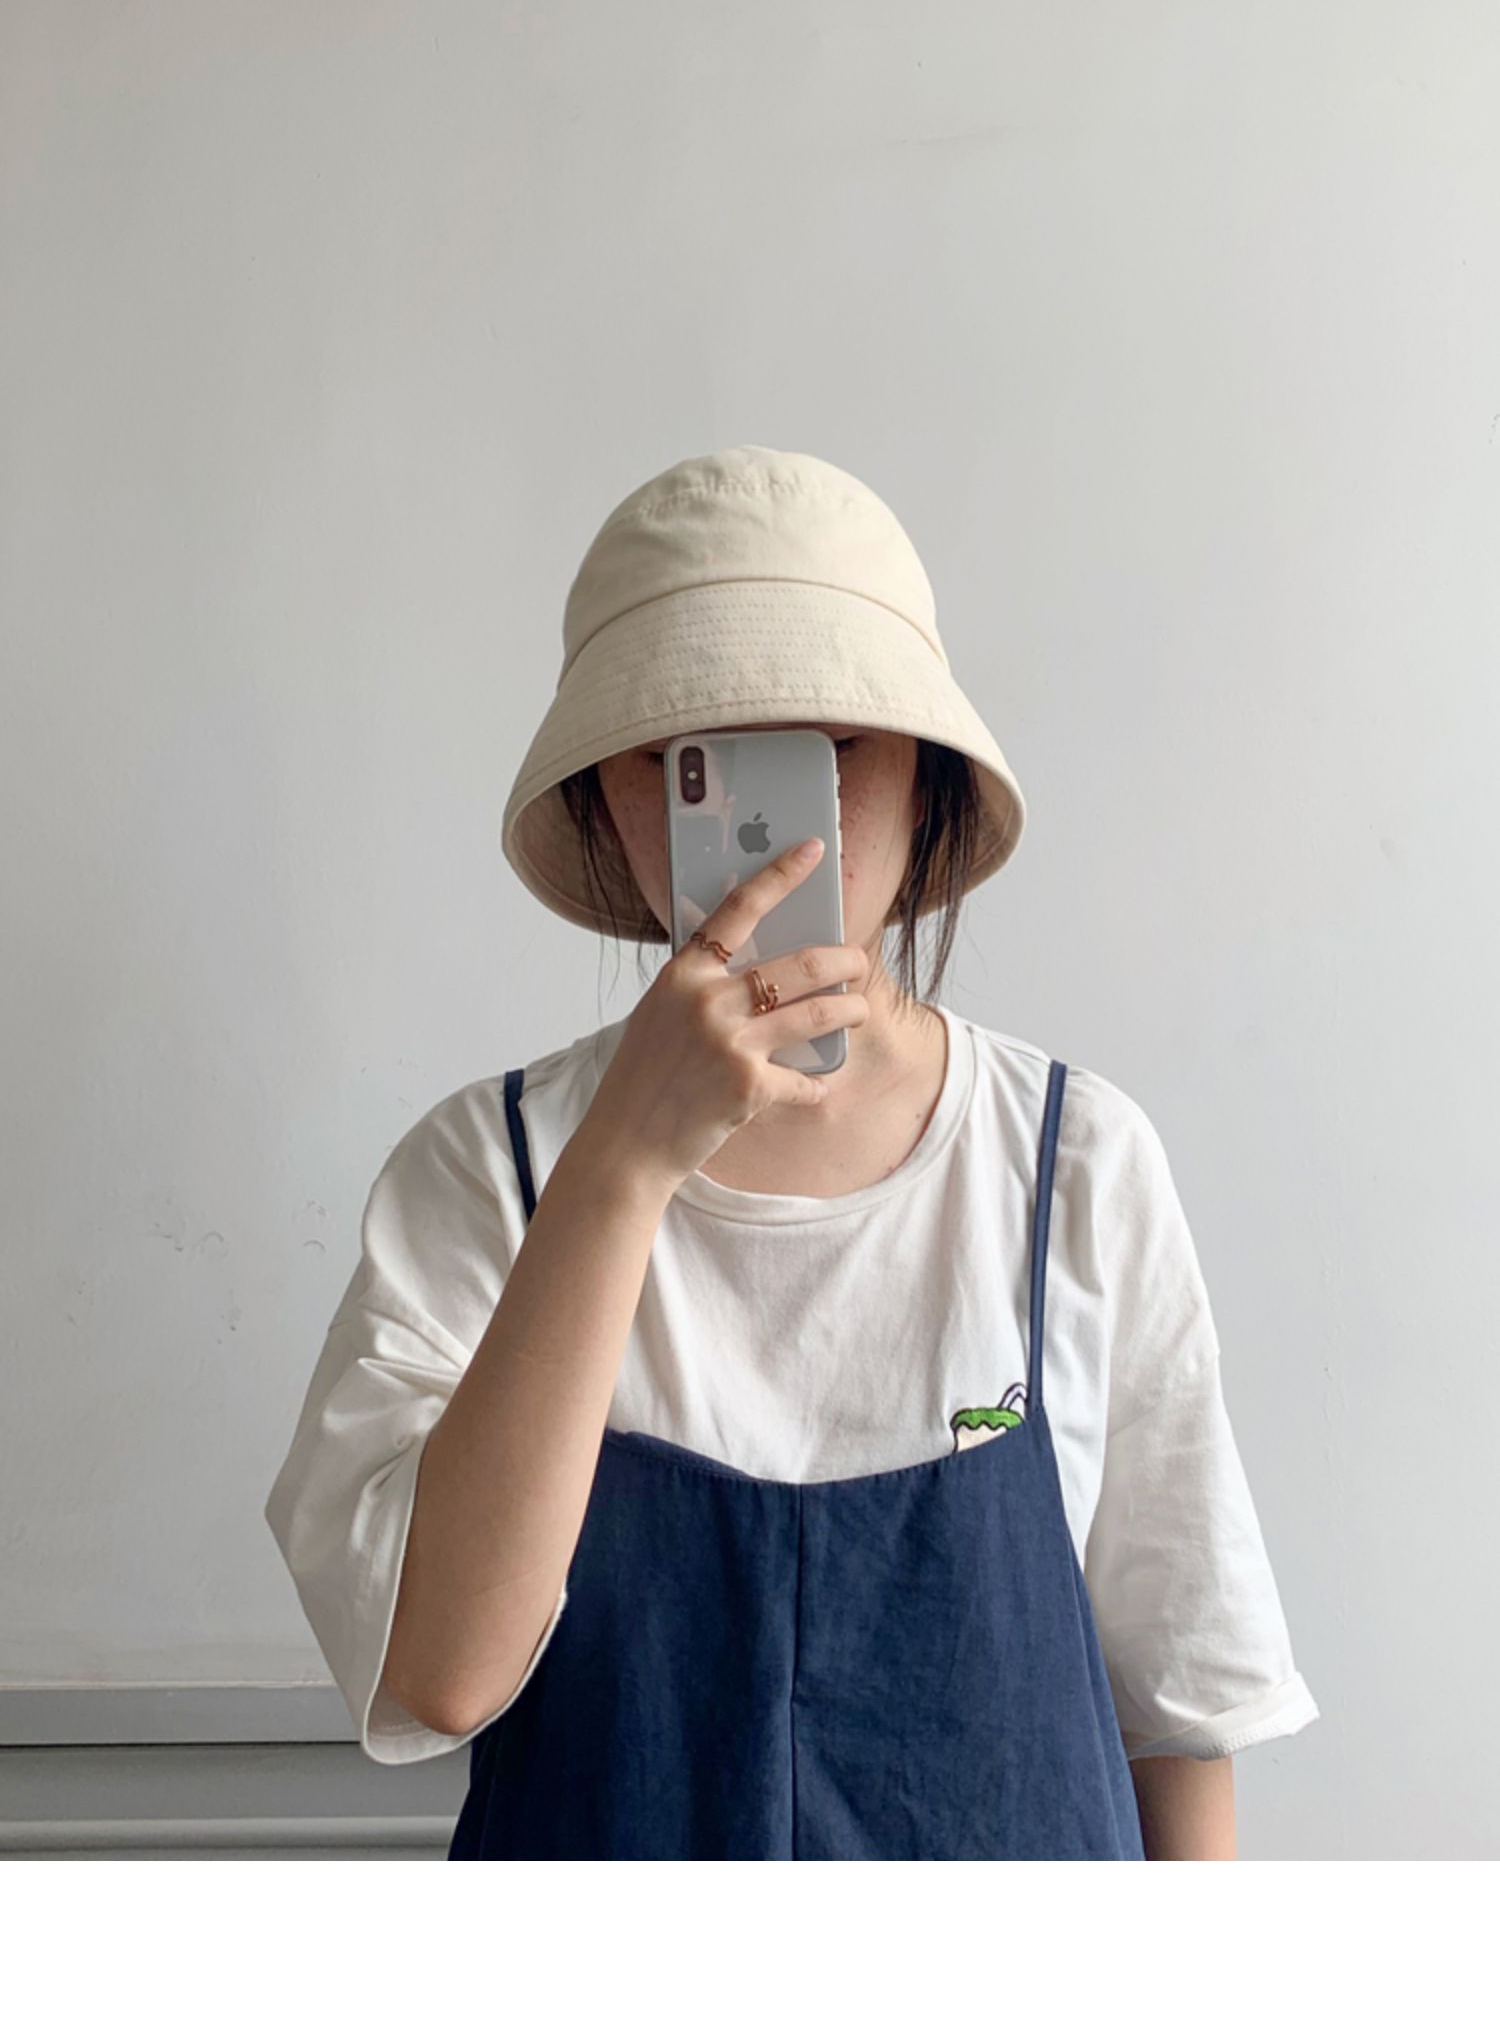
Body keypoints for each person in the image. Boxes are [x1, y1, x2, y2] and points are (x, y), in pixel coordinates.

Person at [264, 443, 1319, 1860]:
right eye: (684, 759)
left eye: (829, 748)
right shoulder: (485, 1173)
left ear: (928, 779)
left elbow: (1181, 1715)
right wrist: (621, 1167)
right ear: (605, 795)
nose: (770, 827)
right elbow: (439, 1675)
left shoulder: (1073, 1165)